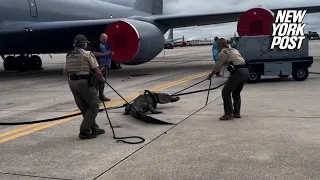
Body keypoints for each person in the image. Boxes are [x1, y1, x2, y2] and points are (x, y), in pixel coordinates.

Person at [63, 34, 106, 139]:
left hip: (72, 83)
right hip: (84, 82)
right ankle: (84, 130)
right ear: (83, 44)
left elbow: (65, 72)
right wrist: (102, 79)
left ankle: (95, 128)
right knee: (94, 105)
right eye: (86, 43)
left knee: (84, 107)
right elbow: (97, 70)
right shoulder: (88, 54)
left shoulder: (69, 55)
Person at [207, 38, 249, 120]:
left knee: (225, 92)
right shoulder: (233, 49)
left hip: (238, 72)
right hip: (245, 71)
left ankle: (228, 114)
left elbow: (217, 68)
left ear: (220, 45)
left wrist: (210, 75)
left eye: (217, 45)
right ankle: (237, 113)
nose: (217, 47)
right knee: (236, 93)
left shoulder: (223, 52)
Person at [93, 33, 114, 102]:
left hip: (105, 65)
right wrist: (105, 54)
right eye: (104, 39)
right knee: (97, 82)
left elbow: (108, 52)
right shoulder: (97, 44)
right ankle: (95, 97)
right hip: (99, 66)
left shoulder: (106, 45)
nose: (105, 41)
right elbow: (94, 53)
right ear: (100, 38)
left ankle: (101, 95)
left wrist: (111, 53)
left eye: (106, 40)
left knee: (102, 81)